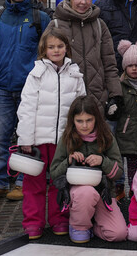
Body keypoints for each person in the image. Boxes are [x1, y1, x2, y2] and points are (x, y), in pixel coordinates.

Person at [0, 0, 52, 202]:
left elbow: (49, 53)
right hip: (0, 88)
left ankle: (22, 181)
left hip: (29, 89)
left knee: (26, 137)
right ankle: (0, 182)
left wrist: (41, 83)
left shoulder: (40, 18)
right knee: (0, 137)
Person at [16, 29, 86, 238]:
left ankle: (60, 219)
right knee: (33, 184)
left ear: (67, 48)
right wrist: (25, 139)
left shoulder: (75, 74)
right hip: (37, 139)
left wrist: (78, 137)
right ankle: (33, 222)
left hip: (63, 141)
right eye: (51, 47)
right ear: (44, 50)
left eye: (60, 46)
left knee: (60, 181)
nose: (56, 50)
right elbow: (26, 108)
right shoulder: (36, 74)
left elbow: (81, 107)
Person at [44, 0, 123, 123]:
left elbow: (110, 65)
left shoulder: (100, 25)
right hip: (66, 99)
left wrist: (115, 95)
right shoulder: (55, 25)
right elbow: (45, 65)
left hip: (97, 99)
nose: (83, 2)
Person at [50, 95, 127, 244]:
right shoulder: (67, 138)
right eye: (79, 121)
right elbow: (54, 174)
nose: (84, 125)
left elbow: (118, 172)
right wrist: (69, 161)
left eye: (89, 120)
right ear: (72, 120)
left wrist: (103, 161)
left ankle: (93, 225)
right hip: (78, 195)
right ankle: (79, 226)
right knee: (86, 192)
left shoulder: (106, 136)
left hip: (103, 194)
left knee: (118, 234)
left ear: (96, 119)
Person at [115, 40, 137, 193]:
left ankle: (136, 190)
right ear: (125, 67)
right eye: (130, 66)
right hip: (126, 132)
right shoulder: (120, 85)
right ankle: (121, 189)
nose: (134, 68)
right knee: (126, 163)